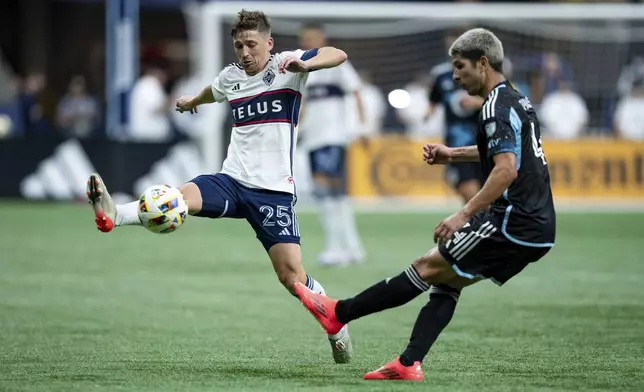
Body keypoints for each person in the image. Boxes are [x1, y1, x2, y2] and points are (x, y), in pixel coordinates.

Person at [86, 9, 354, 364]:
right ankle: (113, 215)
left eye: (252, 45)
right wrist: (191, 102)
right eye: (239, 45)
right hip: (231, 180)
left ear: (268, 44)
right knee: (178, 197)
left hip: (272, 192)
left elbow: (337, 54)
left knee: (292, 278)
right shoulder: (232, 77)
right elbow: (213, 91)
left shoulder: (286, 65)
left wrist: (308, 65)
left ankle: (336, 326)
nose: (245, 52)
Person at [295, 28, 556, 381]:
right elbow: (508, 152)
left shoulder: (494, 106)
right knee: (449, 281)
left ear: (483, 63)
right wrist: (453, 155)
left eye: (460, 66)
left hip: (513, 221)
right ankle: (408, 362)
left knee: (427, 265)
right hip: (538, 227)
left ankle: (339, 311)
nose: (454, 75)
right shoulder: (515, 99)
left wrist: (463, 213)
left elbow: (506, 170)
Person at [298, 23, 367, 266]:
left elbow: (357, 92)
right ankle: (352, 247)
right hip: (314, 138)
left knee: (324, 188)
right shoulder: (305, 69)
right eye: (305, 38)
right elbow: (304, 105)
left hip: (333, 135)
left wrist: (361, 127)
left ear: (323, 38)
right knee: (335, 193)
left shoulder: (337, 64)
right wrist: (298, 130)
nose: (308, 42)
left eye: (312, 37)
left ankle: (335, 248)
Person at [427, 29, 484, 203]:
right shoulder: (440, 75)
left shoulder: (483, 72)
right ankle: (477, 225)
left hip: (484, 143)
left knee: (485, 196)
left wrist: (478, 103)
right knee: (469, 193)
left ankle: (483, 226)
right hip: (456, 145)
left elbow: (503, 101)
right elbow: (433, 102)